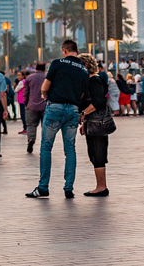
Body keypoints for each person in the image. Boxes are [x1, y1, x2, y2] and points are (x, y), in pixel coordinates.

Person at [26, 40, 89, 199]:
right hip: (73, 110)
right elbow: (82, 94)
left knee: (46, 147)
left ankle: (43, 187)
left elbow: (45, 87)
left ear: (64, 50)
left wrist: (45, 96)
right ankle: (68, 187)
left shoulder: (57, 63)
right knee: (70, 149)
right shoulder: (83, 69)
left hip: (55, 107)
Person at [78, 53, 111, 197]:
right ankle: (100, 186)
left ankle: (101, 187)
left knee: (97, 153)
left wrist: (83, 114)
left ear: (85, 65)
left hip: (97, 122)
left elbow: (98, 102)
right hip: (93, 122)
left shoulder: (94, 81)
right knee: (94, 152)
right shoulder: (91, 80)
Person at [23, 63, 47, 154]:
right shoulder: (47, 78)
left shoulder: (29, 78)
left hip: (32, 105)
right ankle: (45, 143)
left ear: (36, 68)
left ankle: (31, 139)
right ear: (44, 68)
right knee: (45, 126)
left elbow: (26, 93)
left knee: (31, 125)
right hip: (45, 105)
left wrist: (26, 103)